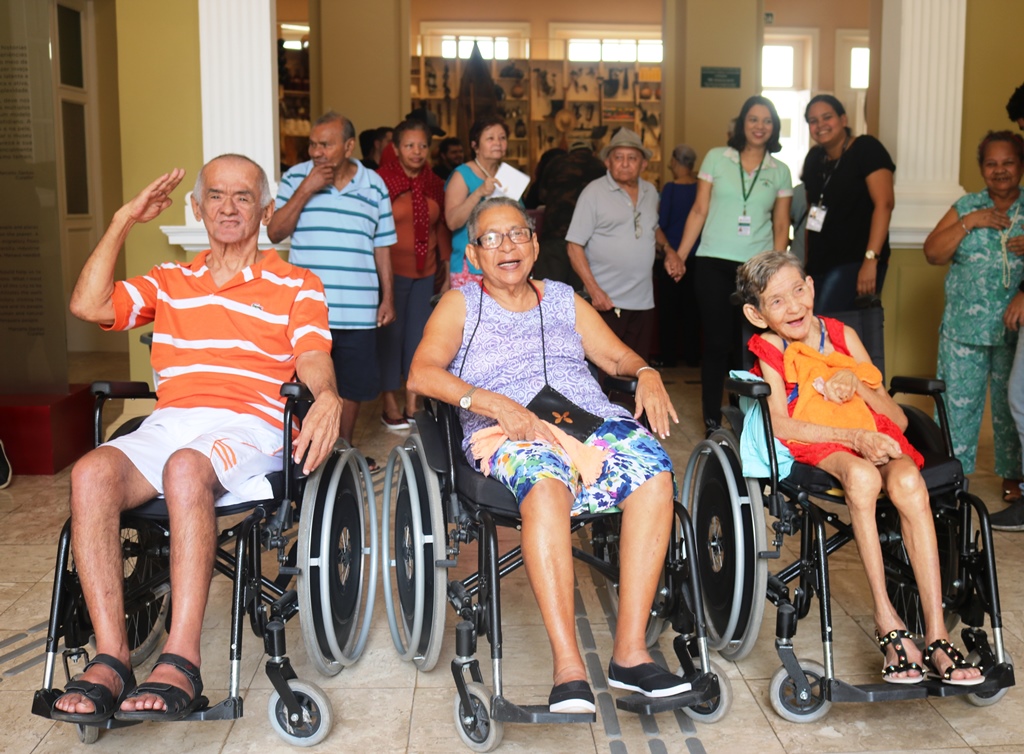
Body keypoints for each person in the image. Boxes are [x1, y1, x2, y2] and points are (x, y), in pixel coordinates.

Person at [51, 155, 341, 723]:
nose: (228, 207)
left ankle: (181, 657)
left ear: (266, 209)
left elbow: (311, 354)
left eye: (242, 196)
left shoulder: (296, 283)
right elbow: (88, 304)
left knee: (186, 467)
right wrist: (122, 220)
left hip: (254, 421)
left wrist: (326, 395)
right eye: (215, 195)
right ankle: (112, 657)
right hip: (174, 419)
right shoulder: (170, 281)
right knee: (90, 473)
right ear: (197, 206)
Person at [408, 197, 688, 713]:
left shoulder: (563, 298)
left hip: (585, 421)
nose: (507, 247)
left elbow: (613, 355)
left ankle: (630, 654)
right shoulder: (460, 303)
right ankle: (569, 669)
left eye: (517, 234)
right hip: (507, 428)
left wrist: (645, 372)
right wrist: (490, 402)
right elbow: (421, 374)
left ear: (535, 244)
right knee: (546, 484)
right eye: (491, 239)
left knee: (654, 474)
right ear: (474, 254)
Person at [737, 250, 983, 686]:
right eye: (777, 301)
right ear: (757, 315)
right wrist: (852, 439)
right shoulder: (769, 347)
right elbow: (780, 422)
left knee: (907, 479)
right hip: (818, 445)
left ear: (811, 287)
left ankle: (937, 632)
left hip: (872, 433)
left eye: (798, 291)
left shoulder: (844, 336)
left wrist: (857, 383)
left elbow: (900, 420)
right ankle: (887, 620)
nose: (793, 306)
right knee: (865, 476)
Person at [269, 111, 397, 449]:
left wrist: (388, 299)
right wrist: (306, 189)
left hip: (359, 309)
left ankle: (341, 451)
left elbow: (382, 246)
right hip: (307, 311)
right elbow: (274, 231)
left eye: (325, 145)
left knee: (352, 387)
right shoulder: (296, 177)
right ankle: (304, 453)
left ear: (349, 146)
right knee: (303, 384)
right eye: (312, 144)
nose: (316, 152)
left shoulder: (374, 184)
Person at [675, 96, 793, 429]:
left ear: (774, 128)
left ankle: (746, 419)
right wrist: (681, 256)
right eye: (753, 119)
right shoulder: (716, 158)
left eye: (767, 121)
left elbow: (782, 224)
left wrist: (777, 272)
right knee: (715, 343)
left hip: (756, 270)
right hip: (712, 262)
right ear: (742, 124)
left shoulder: (780, 171)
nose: (760, 126)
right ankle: (712, 418)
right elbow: (699, 210)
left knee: (750, 346)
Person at [924, 131, 1024, 525]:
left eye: (1008, 162)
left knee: (1009, 409)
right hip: (964, 330)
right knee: (955, 408)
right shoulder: (967, 205)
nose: (999, 171)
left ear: (1020, 164)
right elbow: (933, 252)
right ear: (982, 168)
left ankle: (1015, 482)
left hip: (1014, 335)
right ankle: (950, 478)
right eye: (991, 164)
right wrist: (970, 222)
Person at [566, 128, 679, 362]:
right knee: (604, 372)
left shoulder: (650, 192)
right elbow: (573, 246)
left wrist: (669, 250)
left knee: (636, 369)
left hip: (643, 300)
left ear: (643, 164)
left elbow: (653, 227)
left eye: (632, 158)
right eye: (619, 157)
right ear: (608, 162)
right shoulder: (593, 193)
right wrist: (594, 290)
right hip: (606, 301)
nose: (625, 164)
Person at [376, 119, 452, 429]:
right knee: (389, 341)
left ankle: (412, 401)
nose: (417, 151)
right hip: (391, 276)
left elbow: (442, 229)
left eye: (422, 145)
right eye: (409, 145)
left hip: (427, 274)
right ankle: (389, 402)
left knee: (419, 340)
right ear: (395, 149)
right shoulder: (381, 182)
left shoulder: (435, 183)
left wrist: (445, 273)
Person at [801, 94, 896, 314]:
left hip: (856, 262)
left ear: (843, 120)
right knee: (817, 327)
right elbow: (812, 213)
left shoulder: (866, 148)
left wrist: (871, 260)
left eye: (827, 117)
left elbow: (885, 204)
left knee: (829, 326)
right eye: (813, 121)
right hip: (819, 263)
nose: (820, 125)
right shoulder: (814, 158)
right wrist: (806, 265)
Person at [445, 114, 511, 290]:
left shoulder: (508, 176)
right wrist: (479, 192)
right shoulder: (462, 174)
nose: (498, 142)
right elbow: (452, 222)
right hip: (471, 266)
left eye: (502, 138)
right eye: (490, 138)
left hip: (504, 263)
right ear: (475, 145)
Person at [531, 139, 606, 289]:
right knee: (580, 297)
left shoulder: (556, 163)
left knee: (548, 293)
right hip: (586, 240)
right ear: (591, 151)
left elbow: (542, 195)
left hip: (554, 234)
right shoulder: (600, 166)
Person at [655, 143, 701, 367]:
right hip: (697, 256)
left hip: (672, 256)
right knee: (693, 309)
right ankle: (693, 357)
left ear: (674, 162)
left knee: (669, 310)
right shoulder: (701, 188)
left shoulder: (671, 189)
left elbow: (660, 223)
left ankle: (669, 357)